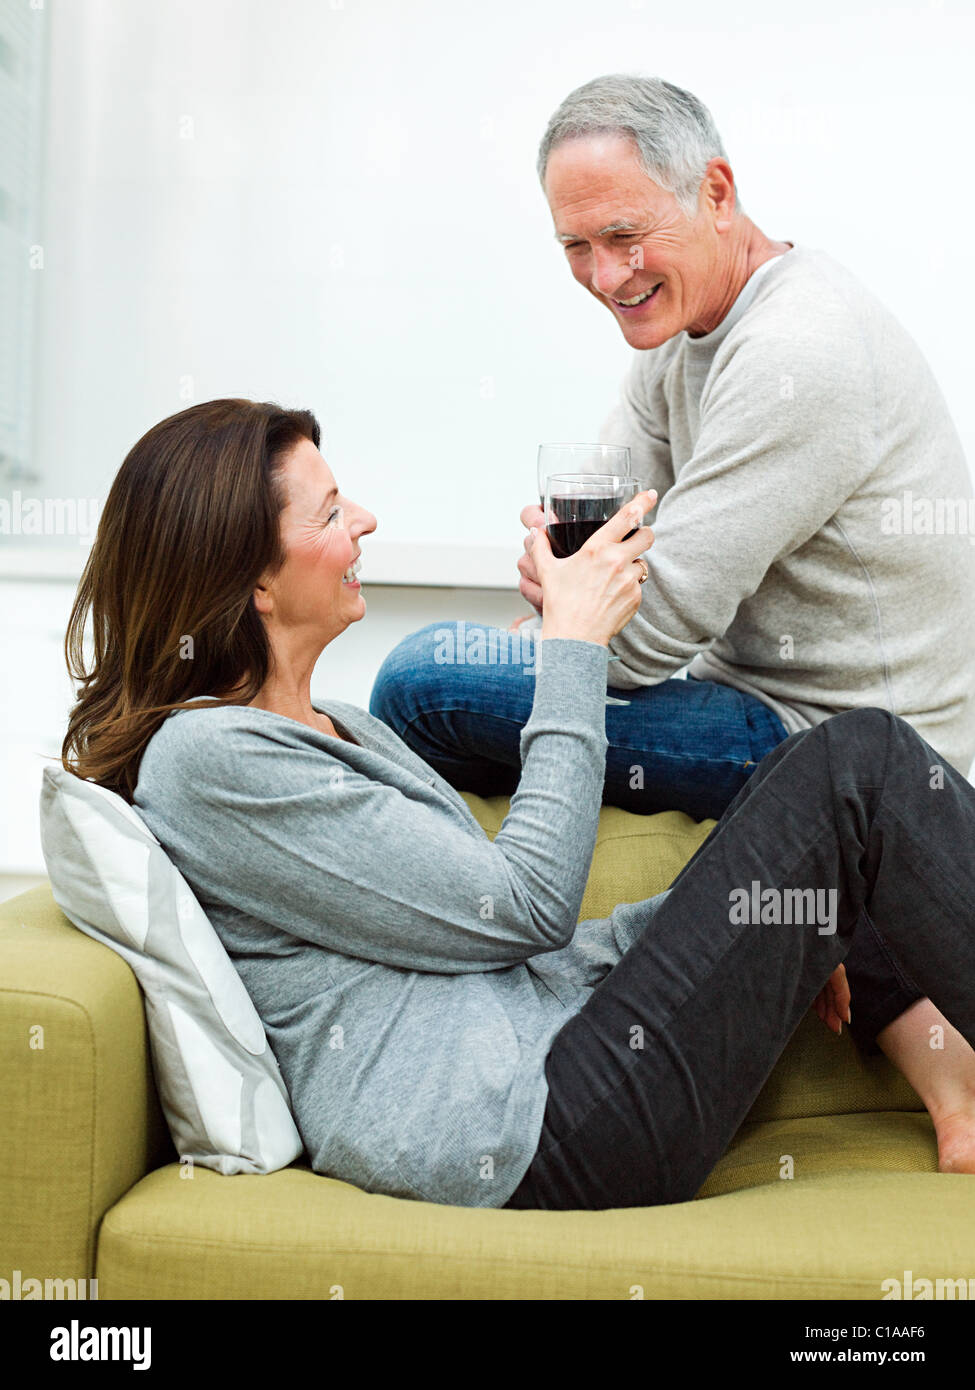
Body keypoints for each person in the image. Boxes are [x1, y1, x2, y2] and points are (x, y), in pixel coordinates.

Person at [60, 399, 975, 1211]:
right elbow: (525, 908)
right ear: (252, 580)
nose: (366, 521)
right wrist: (571, 643)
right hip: (543, 1130)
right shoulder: (208, 758)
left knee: (814, 772)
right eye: (333, 511)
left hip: (572, 1059)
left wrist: (771, 923)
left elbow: (496, 953)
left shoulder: (340, 728)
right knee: (857, 765)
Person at [369, 74, 975, 822]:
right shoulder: (679, 323)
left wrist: (567, 613)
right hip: (739, 700)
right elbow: (593, 541)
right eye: (576, 246)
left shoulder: (798, 350)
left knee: (423, 682)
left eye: (624, 236)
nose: (605, 276)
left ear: (715, 194)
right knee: (446, 692)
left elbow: (637, 639)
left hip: (847, 752)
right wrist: (572, 608)